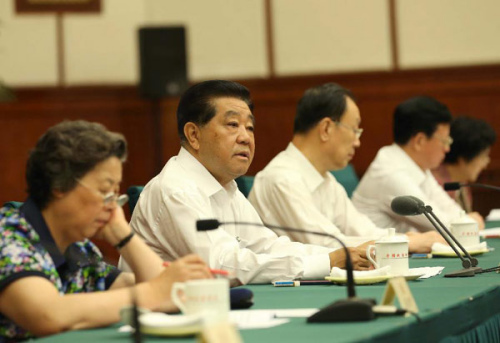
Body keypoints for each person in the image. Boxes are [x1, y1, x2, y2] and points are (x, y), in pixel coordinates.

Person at [123, 80, 371, 286]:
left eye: (250, 127)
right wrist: (327, 262)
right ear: (193, 135)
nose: (246, 138)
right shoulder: (175, 189)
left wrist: (335, 256)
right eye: (232, 125)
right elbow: (222, 266)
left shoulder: (226, 186)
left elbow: (267, 246)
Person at [0, 121, 212, 341]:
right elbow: (47, 314)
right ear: (59, 186)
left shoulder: (78, 247)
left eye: (115, 194)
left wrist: (123, 235)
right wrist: (153, 293)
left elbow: (163, 291)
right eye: (104, 191)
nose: (113, 206)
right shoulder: (8, 239)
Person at [248, 83, 444, 253]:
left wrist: (407, 239)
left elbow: (364, 232)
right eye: (354, 130)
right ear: (326, 129)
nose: (358, 142)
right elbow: (330, 245)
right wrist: (406, 241)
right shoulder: (281, 178)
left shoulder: (327, 181)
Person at [352, 96, 484, 233]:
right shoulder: (390, 173)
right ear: (419, 141)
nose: (447, 149)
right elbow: (445, 227)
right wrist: (469, 222)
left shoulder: (418, 165)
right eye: (444, 141)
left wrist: (466, 221)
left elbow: (452, 210)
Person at [432, 116, 496, 212]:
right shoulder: (436, 186)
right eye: (483, 156)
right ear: (464, 156)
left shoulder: (461, 182)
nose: (485, 163)